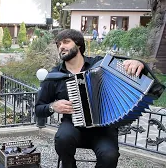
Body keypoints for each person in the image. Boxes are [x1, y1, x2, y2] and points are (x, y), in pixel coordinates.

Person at [35, 29, 145, 168]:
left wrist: (137, 62)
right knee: (62, 139)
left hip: (104, 128)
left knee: (109, 156)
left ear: (79, 45)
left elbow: (129, 69)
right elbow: (39, 109)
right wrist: (52, 106)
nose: (61, 46)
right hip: (72, 126)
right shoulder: (54, 76)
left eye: (66, 42)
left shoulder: (100, 64)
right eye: (59, 44)